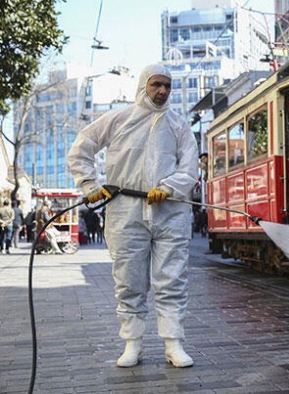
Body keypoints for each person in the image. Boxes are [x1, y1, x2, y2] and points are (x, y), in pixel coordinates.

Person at [67, 64, 199, 367]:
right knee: (129, 280)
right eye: (156, 85)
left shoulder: (178, 125)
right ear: (144, 86)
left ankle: (173, 344)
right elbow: (81, 148)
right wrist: (90, 184)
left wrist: (168, 186)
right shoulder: (118, 119)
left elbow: (190, 168)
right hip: (125, 211)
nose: (162, 91)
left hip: (171, 211)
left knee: (172, 279)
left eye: (167, 86)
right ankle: (133, 344)